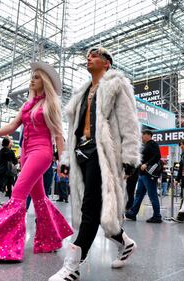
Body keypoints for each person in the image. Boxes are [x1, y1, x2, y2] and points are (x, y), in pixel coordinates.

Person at [49, 47, 141, 281]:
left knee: (90, 207)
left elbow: (129, 123)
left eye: (95, 56)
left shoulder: (116, 85)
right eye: (88, 56)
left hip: (103, 154)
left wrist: (129, 157)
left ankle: (73, 265)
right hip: (82, 152)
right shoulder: (82, 93)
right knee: (95, 209)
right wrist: (67, 158)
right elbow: (73, 131)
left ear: (107, 63)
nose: (89, 58)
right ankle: (125, 242)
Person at [0, 62, 73, 261]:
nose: (32, 80)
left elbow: (59, 135)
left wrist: (63, 161)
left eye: (36, 77)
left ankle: (2, 246)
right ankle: (51, 239)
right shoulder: (28, 105)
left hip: (41, 153)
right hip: (26, 154)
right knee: (39, 199)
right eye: (32, 76)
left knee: (17, 194)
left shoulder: (50, 104)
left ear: (44, 81)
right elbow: (12, 125)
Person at [125, 130, 162, 223]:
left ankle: (157, 216)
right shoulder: (146, 145)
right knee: (139, 194)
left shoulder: (152, 144)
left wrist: (147, 164)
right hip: (142, 174)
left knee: (152, 194)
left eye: (143, 135)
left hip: (148, 174)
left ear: (148, 135)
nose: (141, 137)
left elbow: (157, 156)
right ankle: (132, 213)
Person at [0, 137, 17, 208]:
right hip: (8, 171)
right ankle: (10, 202)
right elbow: (15, 161)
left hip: (0, 170)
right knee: (9, 186)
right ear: (8, 143)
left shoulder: (0, 151)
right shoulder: (11, 152)